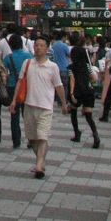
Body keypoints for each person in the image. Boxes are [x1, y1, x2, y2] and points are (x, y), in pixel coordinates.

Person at [10, 35, 68, 179]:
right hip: (29, 105)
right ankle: (40, 162)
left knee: (42, 137)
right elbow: (19, 82)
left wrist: (64, 103)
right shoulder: (27, 63)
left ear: (47, 48)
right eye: (36, 45)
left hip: (46, 107)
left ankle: (38, 165)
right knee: (33, 139)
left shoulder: (53, 67)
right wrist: (13, 101)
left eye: (41, 45)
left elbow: (59, 86)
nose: (38, 48)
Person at [68, 42, 100, 148]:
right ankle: (96, 136)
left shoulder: (71, 67)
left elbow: (72, 80)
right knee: (88, 116)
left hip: (77, 93)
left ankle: (77, 133)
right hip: (88, 92)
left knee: (73, 112)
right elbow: (94, 79)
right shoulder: (87, 66)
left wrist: (71, 94)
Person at [3, 33, 32, 148]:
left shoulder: (8, 58)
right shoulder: (29, 56)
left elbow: (4, 73)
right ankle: (30, 139)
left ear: (10, 45)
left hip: (12, 87)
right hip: (26, 87)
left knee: (14, 115)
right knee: (27, 115)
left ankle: (16, 140)